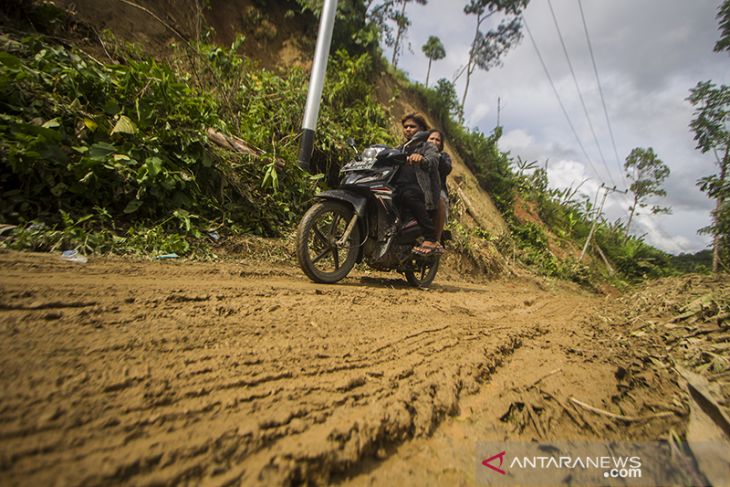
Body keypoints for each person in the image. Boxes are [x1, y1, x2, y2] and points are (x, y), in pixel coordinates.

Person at [393, 113, 443, 256]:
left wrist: (421, 159)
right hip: (398, 187)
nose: (408, 129)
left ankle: (430, 238)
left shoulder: (428, 147)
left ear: (421, 130)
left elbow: (433, 161)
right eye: (405, 126)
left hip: (420, 190)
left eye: (412, 126)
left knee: (408, 195)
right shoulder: (400, 148)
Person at [426, 129, 452, 243]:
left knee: (440, 199)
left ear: (441, 144)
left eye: (437, 140)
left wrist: (436, 156)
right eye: (431, 138)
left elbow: (447, 168)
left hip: (437, 190)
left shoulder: (444, 156)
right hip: (417, 187)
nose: (434, 141)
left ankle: (435, 241)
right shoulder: (418, 152)